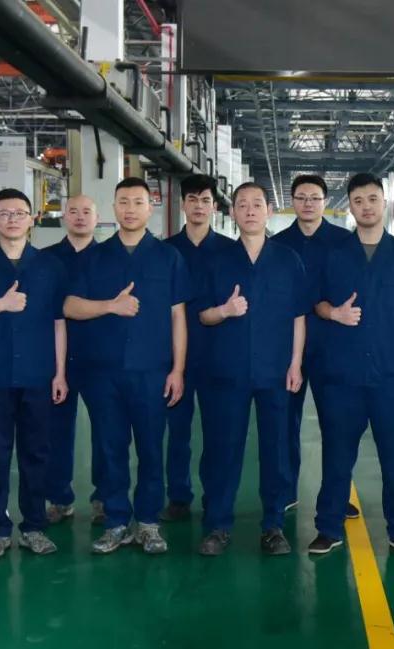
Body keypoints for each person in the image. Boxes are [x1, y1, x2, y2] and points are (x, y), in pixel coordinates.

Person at [309, 173, 394, 558]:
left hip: (391, 375)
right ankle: (328, 527)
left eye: (372, 199)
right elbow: (316, 303)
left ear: (385, 203)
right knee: (337, 455)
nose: (366, 206)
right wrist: (334, 314)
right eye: (358, 200)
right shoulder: (333, 254)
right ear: (350, 206)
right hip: (342, 376)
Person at [63, 177, 189, 554]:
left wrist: (178, 370)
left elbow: (178, 317)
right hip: (103, 372)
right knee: (110, 447)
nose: (130, 209)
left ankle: (148, 522)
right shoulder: (94, 257)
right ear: (114, 208)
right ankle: (116, 521)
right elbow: (70, 306)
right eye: (123, 202)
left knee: (151, 449)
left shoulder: (168, 257)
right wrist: (109, 306)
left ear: (150, 208)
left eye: (138, 202)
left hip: (152, 371)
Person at [0, 188, 69, 559]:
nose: (12, 219)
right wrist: (0, 305)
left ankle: (34, 526)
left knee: (37, 453)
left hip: (38, 375)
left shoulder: (50, 266)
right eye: (4, 213)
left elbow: (59, 323)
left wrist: (60, 373)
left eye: (20, 213)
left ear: (32, 219)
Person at [196, 182, 307, 556]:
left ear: (269, 211)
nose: (249, 211)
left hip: (275, 371)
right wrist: (225, 311)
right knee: (222, 449)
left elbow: (299, 316)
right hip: (227, 371)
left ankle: (273, 525)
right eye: (241, 205)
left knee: (276, 450)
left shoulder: (288, 260)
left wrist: (296, 363)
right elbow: (203, 315)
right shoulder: (216, 260)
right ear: (232, 213)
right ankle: (217, 525)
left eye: (256, 204)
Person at [271, 174, 352, 512]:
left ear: (325, 202)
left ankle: (337, 497)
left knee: (336, 424)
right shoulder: (277, 245)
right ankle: (285, 490)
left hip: (333, 345)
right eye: (301, 197)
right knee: (285, 422)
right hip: (287, 347)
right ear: (292, 202)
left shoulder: (344, 242)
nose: (308, 203)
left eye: (315, 198)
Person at [163, 174, 233, 521]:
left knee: (217, 432)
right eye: (192, 199)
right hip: (174, 357)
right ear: (183, 205)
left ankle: (213, 496)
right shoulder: (165, 251)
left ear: (215, 207)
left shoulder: (230, 251)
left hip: (217, 355)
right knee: (177, 432)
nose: (199, 206)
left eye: (206, 200)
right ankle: (178, 496)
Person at [42, 195, 102, 525]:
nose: (80, 217)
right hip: (55, 359)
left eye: (86, 211)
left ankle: (104, 497)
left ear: (97, 217)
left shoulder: (109, 257)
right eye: (73, 211)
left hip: (99, 357)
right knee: (56, 431)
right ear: (64, 216)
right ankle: (59, 498)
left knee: (106, 431)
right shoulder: (46, 259)